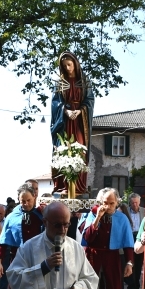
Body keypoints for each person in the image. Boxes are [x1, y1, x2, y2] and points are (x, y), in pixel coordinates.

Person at [78, 188, 134, 289]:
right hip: (93, 258)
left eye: (112, 203)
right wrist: (97, 218)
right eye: (105, 203)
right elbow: (87, 237)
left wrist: (130, 263)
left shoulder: (121, 218)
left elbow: (128, 242)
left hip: (112, 258)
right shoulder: (92, 214)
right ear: (100, 202)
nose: (108, 206)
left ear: (117, 203)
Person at [50, 51, 94, 194]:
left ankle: (78, 187)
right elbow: (55, 102)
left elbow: (90, 100)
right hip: (65, 122)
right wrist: (66, 111)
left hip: (79, 122)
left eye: (70, 64)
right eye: (65, 66)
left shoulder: (84, 81)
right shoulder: (59, 82)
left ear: (75, 63)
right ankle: (63, 186)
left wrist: (80, 111)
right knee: (63, 150)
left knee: (80, 150)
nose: (68, 68)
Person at [0, 184, 44, 289]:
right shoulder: (12, 217)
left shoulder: (42, 214)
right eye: (23, 201)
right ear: (18, 199)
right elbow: (3, 240)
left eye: (29, 200)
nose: (26, 204)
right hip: (18, 258)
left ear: (34, 197)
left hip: (38, 259)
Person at [124, 193, 145, 289]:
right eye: (132, 203)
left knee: (138, 265)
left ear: (139, 202)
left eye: (136, 202)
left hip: (140, 239)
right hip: (129, 238)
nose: (134, 205)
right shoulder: (125, 211)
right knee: (130, 264)